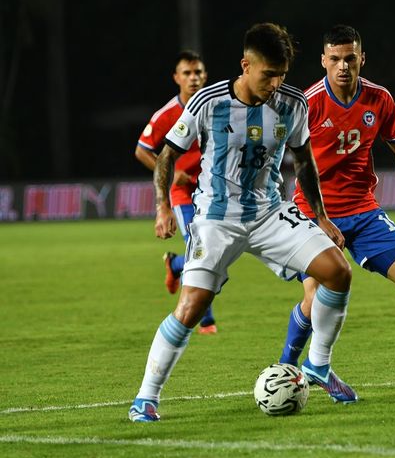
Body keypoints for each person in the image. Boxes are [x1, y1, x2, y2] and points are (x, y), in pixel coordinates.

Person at [128, 22, 356, 422]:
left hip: (269, 212)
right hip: (217, 217)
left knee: (337, 271)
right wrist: (163, 206)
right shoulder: (207, 102)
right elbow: (165, 155)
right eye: (268, 74)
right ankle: (146, 396)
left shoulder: (292, 103)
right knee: (192, 306)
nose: (275, 83)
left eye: (282, 74)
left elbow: (303, 160)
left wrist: (320, 216)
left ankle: (318, 364)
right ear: (245, 65)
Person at [278, 25, 395, 391]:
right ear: (323, 61)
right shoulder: (308, 104)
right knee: (314, 295)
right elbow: (283, 158)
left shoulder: (379, 99)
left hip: (363, 208)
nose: (343, 67)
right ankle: (285, 369)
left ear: (361, 58)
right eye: (334, 59)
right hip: (313, 211)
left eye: (350, 58)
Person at [134, 50, 217, 334]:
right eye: (187, 73)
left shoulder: (215, 106)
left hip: (213, 191)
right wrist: (170, 173)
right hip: (182, 194)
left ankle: (175, 263)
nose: (193, 78)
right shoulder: (167, 114)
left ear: (205, 76)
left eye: (198, 73)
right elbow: (142, 150)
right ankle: (206, 321)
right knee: (200, 247)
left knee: (215, 249)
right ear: (176, 78)